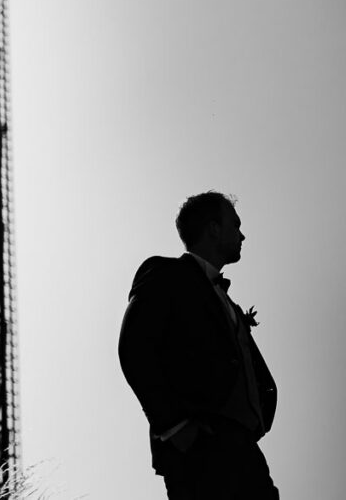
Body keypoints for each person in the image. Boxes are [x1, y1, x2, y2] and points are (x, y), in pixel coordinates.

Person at [118, 192, 278, 499]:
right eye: (235, 225)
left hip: (244, 448)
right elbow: (135, 347)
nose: (242, 235)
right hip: (197, 449)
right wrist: (175, 427)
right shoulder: (166, 274)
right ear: (214, 229)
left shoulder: (226, 301)